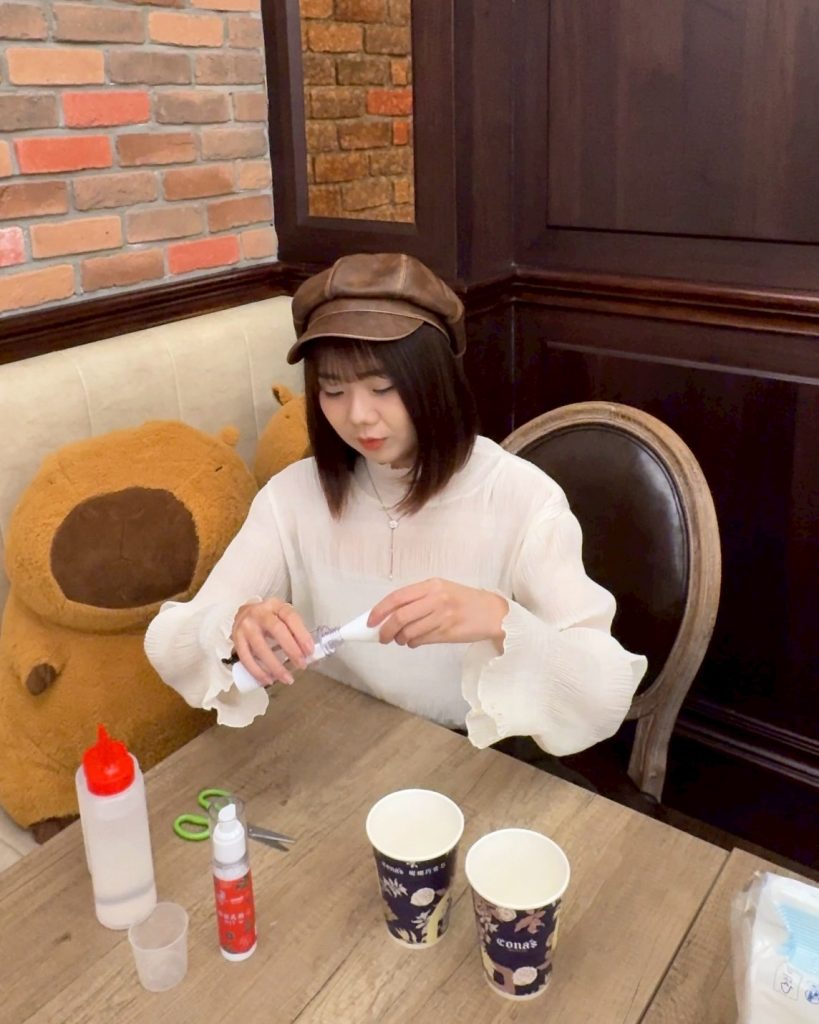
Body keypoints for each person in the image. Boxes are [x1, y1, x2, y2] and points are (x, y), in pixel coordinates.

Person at [145, 253, 647, 757]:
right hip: (335, 745)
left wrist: (500, 619)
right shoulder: (293, 496)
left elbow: (604, 693)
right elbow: (169, 640)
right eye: (333, 390)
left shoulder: (522, 498)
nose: (359, 416)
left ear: (434, 380)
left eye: (382, 387)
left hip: (473, 757)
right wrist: (232, 625)